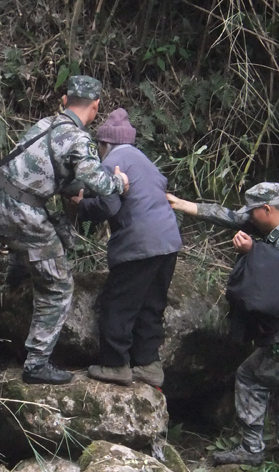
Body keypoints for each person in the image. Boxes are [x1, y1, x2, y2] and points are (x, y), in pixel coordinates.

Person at [167, 184, 279, 472]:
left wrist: (252, 252)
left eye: (253, 212)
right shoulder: (278, 224)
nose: (249, 217)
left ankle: (252, 449)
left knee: (250, 376)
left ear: (267, 209)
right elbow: (230, 215)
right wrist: (183, 205)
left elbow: (277, 283)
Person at [0, 75, 130, 385]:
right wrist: (121, 182)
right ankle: (37, 363)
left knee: (55, 228)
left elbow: (36, 169)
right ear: (95, 106)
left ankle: (17, 271)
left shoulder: (44, 125)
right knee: (59, 286)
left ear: (65, 100)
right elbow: (101, 184)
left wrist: (68, 187)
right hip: (21, 213)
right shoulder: (78, 138)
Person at [69, 108, 182, 387]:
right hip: (168, 241)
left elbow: (109, 205)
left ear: (104, 144)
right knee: (151, 304)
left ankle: (115, 364)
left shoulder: (112, 161)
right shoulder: (142, 158)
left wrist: (81, 206)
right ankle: (149, 364)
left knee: (118, 303)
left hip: (140, 243)